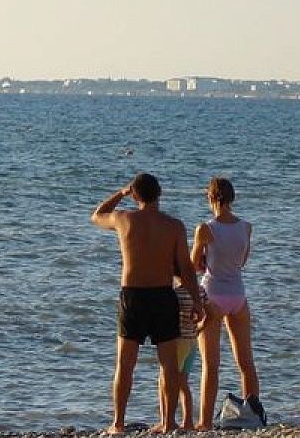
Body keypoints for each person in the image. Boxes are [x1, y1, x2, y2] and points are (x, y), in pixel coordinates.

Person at [91, 173, 204, 434]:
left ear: (135, 195)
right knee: (169, 365)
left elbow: (97, 214)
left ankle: (118, 423)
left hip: (133, 297)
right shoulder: (174, 225)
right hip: (163, 296)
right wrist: (197, 301)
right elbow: (186, 269)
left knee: (125, 364)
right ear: (159, 194)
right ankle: (169, 423)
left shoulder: (124, 218)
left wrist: (121, 193)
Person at [191, 176, 265, 428]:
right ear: (232, 198)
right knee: (246, 361)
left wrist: (203, 259)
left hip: (212, 295)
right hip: (237, 295)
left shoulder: (205, 229)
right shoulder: (246, 227)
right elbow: (241, 262)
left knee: (211, 365)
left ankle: (204, 422)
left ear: (211, 198)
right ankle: (253, 414)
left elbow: (194, 265)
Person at [159, 268, 205, 429]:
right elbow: (209, 313)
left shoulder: (176, 294)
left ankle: (165, 419)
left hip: (178, 341)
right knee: (183, 383)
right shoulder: (200, 292)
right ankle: (188, 421)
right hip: (192, 341)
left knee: (165, 380)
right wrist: (199, 327)